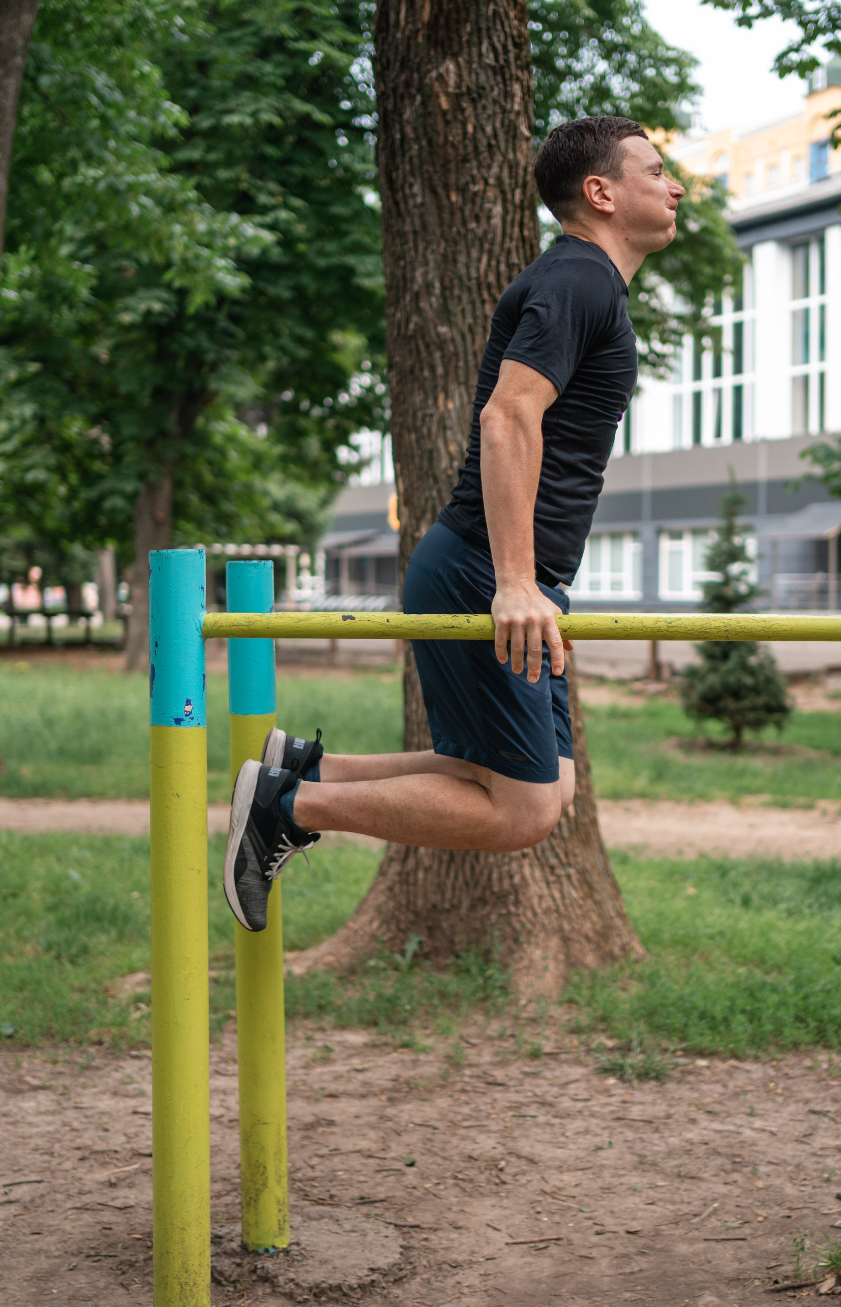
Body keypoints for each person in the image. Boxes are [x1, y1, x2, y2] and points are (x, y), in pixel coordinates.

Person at [222, 115, 686, 931]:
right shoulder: (578, 278)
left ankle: (306, 769)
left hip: (511, 573)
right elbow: (508, 418)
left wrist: (534, 583)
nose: (674, 185)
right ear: (602, 191)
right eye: (656, 170)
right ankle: (289, 807)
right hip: (486, 568)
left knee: (547, 782)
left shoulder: (588, 284)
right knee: (523, 810)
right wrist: (513, 581)